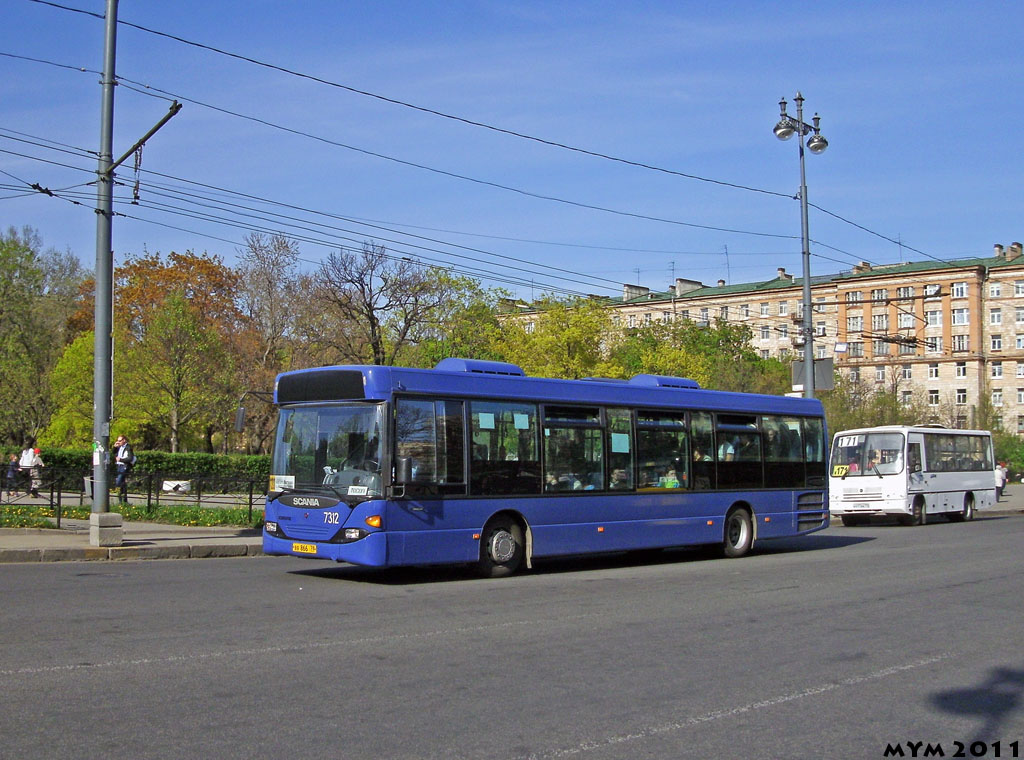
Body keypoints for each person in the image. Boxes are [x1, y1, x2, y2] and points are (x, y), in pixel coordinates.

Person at [113, 434, 134, 505]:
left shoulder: (128, 447)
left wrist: (121, 459)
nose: (118, 442)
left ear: (124, 440)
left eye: (120, 441)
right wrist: (115, 447)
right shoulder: (120, 447)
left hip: (124, 466)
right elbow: (114, 454)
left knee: (118, 482)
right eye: (118, 441)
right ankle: (123, 500)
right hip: (119, 466)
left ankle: (121, 500)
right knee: (121, 483)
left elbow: (130, 458)